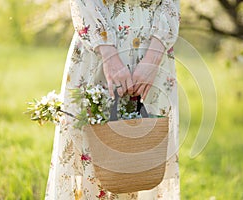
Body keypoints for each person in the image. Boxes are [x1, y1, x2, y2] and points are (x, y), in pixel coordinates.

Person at [45, 0, 180, 199]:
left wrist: (152, 60)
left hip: (154, 50)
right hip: (99, 48)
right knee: (94, 151)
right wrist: (109, 57)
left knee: (143, 157)